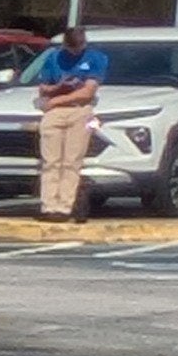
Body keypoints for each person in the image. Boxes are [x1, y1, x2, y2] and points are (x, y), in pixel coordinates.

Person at [29, 21, 110, 220]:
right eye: (71, 48)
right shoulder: (54, 57)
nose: (75, 52)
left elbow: (88, 91)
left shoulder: (96, 58)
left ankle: (65, 207)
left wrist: (56, 100)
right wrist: (58, 86)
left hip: (80, 111)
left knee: (71, 161)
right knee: (50, 161)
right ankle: (49, 206)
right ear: (65, 45)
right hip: (54, 113)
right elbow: (43, 88)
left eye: (79, 47)